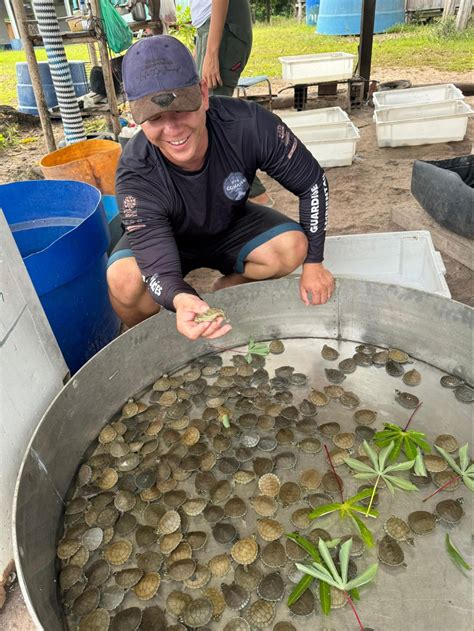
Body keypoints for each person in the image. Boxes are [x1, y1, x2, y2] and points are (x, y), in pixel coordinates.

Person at [107, 35, 334, 341]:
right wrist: (180, 297)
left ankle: (228, 288)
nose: (173, 129)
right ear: (136, 117)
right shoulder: (136, 172)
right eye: (155, 117)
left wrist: (315, 263)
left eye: (181, 109)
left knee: (294, 246)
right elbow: (157, 270)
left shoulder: (248, 125)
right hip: (168, 239)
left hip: (230, 224)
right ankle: (151, 338)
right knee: (124, 280)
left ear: (202, 92)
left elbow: (313, 183)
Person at [191, 0, 270, 205]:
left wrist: (211, 52)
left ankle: (257, 197)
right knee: (203, 118)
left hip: (223, 26)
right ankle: (248, 199)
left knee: (213, 124)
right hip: (207, 28)